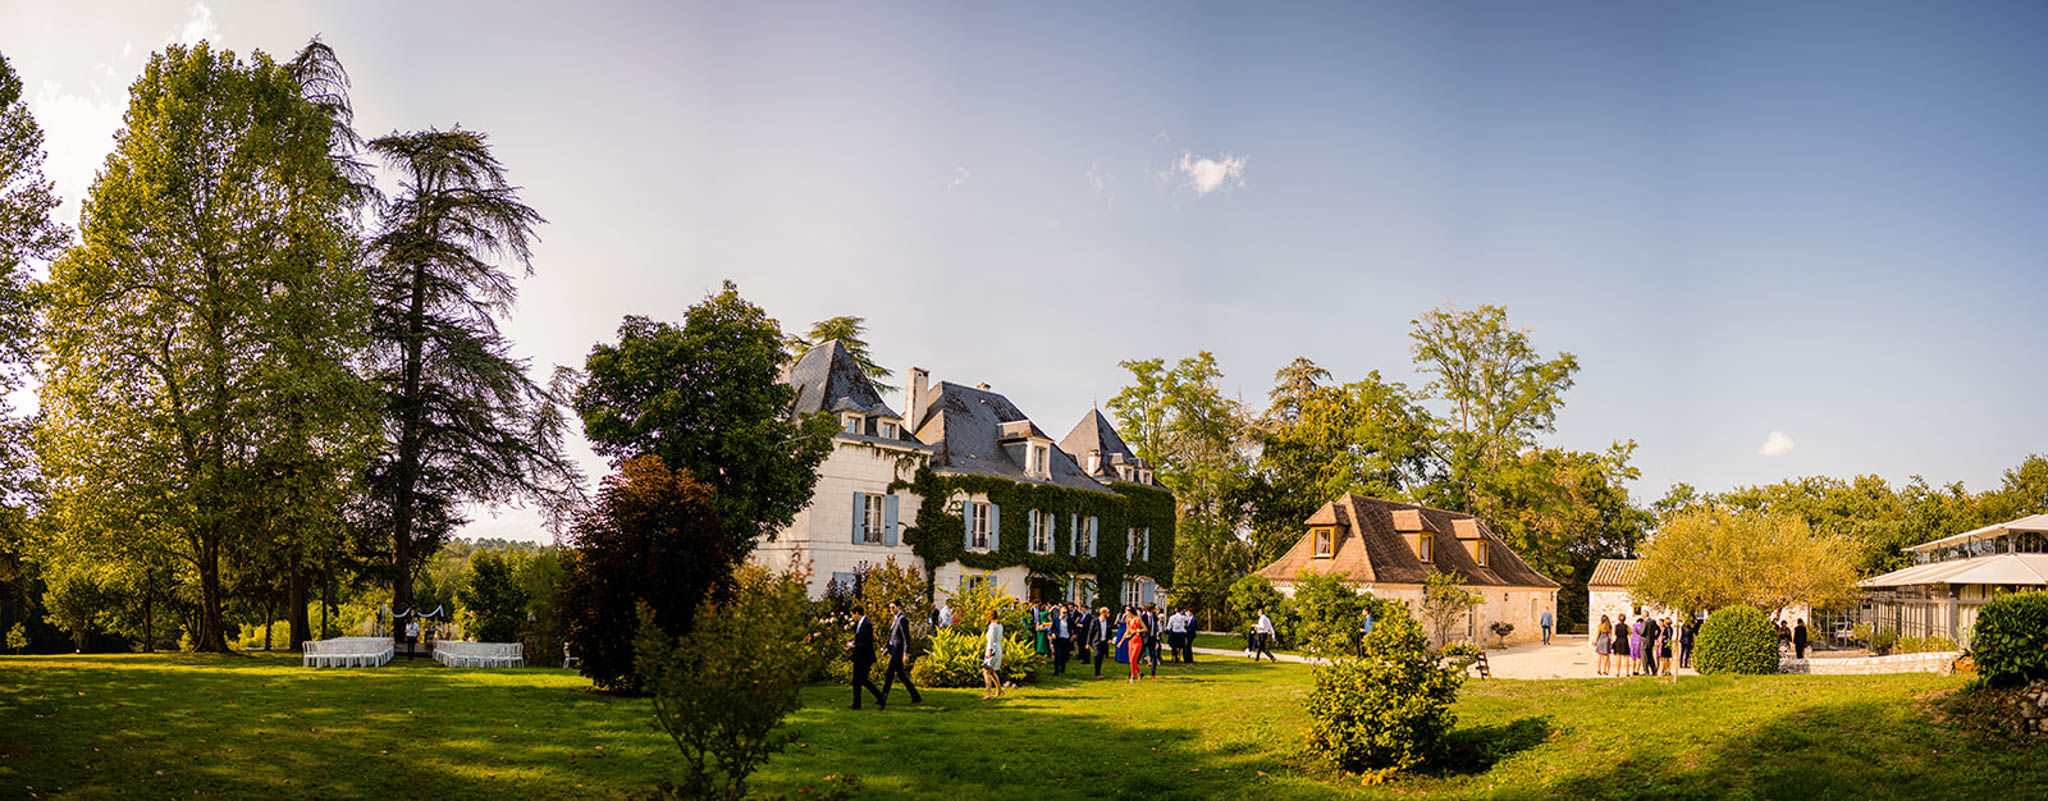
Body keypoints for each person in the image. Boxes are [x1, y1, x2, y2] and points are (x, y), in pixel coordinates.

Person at [881, 600, 922, 706]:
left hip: (898, 652)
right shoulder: (896, 619)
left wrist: (905, 653)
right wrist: (886, 650)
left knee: (889, 673)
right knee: (901, 675)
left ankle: (883, 697)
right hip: (893, 649)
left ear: (899, 607)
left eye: (893, 607)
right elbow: (892, 638)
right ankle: (916, 696)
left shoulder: (902, 619)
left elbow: (906, 637)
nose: (891, 610)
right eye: (890, 608)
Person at [847, 606, 885, 709]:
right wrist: (852, 644)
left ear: (857, 613)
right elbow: (860, 639)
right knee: (856, 681)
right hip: (858, 656)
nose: (852, 617)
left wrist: (854, 646)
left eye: (853, 614)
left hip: (865, 657)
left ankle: (881, 697)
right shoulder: (859, 624)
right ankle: (856, 704)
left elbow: (867, 642)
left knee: (863, 680)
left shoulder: (867, 624)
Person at [981, 610, 1005, 700]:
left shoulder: (992, 626)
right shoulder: (1000, 626)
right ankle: (999, 689)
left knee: (986, 671)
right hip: (998, 648)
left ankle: (989, 693)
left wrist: (989, 651)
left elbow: (991, 640)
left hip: (992, 649)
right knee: (992, 670)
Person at [1120, 607, 1146, 683]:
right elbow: (1127, 632)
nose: (1126, 613)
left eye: (1127, 611)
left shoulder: (1138, 619)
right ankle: (1139, 673)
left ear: (1130, 612)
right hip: (1130, 641)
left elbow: (1145, 629)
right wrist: (1121, 641)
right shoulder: (1128, 621)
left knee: (1133, 659)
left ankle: (1132, 677)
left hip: (1137, 641)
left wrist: (1138, 630)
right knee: (1132, 660)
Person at [1050, 601, 1074, 675]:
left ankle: (1062, 668)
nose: (1065, 614)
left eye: (1066, 612)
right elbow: (1052, 628)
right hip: (1058, 639)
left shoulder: (1069, 620)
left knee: (1064, 655)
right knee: (1058, 655)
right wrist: (1053, 633)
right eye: (1063, 612)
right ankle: (1056, 670)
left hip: (1066, 639)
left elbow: (1074, 628)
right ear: (1060, 612)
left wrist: (1074, 635)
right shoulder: (1056, 620)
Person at [1089, 606, 1113, 678]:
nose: (1109, 614)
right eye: (1107, 612)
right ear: (1103, 613)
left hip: (1104, 642)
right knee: (1097, 655)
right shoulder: (1095, 621)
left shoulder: (1108, 621)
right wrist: (1087, 643)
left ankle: (1098, 670)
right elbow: (1090, 632)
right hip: (1096, 641)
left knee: (1101, 657)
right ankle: (1097, 673)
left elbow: (1109, 631)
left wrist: (1109, 639)